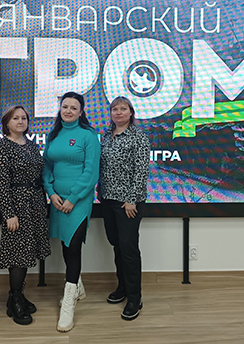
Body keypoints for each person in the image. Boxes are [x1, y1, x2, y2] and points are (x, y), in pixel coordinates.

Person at [42, 92, 101, 332]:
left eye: (73, 108)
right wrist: (51, 193)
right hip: (57, 200)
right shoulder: (53, 135)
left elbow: (91, 173)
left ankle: (68, 304)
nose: (68, 111)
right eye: (64, 106)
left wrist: (73, 198)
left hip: (79, 201)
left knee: (74, 246)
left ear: (81, 111)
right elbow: (47, 167)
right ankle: (78, 288)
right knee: (66, 245)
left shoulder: (88, 135)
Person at [0, 105, 51, 325]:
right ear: (6, 122)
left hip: (35, 204)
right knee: (17, 253)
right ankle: (15, 300)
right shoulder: (2, 148)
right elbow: (1, 185)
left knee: (27, 252)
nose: (20, 121)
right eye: (15, 118)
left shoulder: (31, 144)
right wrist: (9, 214)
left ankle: (16, 296)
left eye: (24, 118)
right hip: (16, 207)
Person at [97, 96, 150, 321]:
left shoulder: (138, 136)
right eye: (114, 109)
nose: (118, 112)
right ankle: (123, 287)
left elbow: (141, 170)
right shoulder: (106, 136)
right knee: (116, 245)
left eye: (123, 108)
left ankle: (135, 297)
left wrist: (132, 199)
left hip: (128, 203)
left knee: (128, 249)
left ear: (131, 112)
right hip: (107, 200)